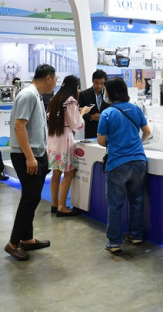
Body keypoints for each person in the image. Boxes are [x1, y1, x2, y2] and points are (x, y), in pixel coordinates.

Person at [4, 64, 57, 261]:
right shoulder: (28, 95)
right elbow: (19, 127)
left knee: (32, 198)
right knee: (30, 198)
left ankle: (27, 239)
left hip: (37, 154)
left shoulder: (37, 96)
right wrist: (29, 157)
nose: (55, 83)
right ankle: (12, 243)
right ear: (48, 78)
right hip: (27, 155)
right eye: (55, 79)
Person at [97, 77, 151, 253]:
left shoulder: (107, 114)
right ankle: (136, 235)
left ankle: (114, 242)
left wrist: (115, 142)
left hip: (117, 163)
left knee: (115, 204)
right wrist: (137, 144)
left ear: (110, 93)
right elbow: (147, 132)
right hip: (139, 161)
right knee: (137, 201)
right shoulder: (135, 109)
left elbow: (101, 141)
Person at [47, 75, 92, 216]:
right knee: (68, 173)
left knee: (56, 173)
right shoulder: (71, 101)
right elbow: (76, 125)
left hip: (53, 137)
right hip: (65, 139)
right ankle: (62, 207)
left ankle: (54, 204)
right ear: (75, 87)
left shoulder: (55, 99)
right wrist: (82, 113)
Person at [79, 70, 108, 139]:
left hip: (106, 131)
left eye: (102, 83)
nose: (99, 86)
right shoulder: (84, 94)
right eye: (96, 82)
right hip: (90, 131)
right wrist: (91, 117)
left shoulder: (109, 95)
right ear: (92, 81)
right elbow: (79, 112)